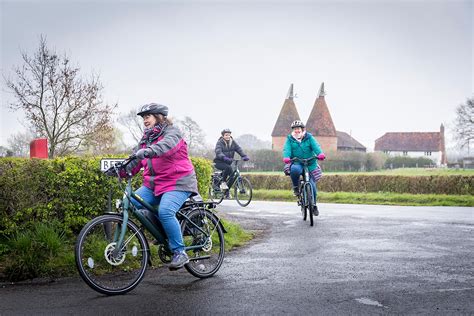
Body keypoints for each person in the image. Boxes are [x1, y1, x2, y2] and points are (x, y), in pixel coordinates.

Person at [121, 103, 199, 270]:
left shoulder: (172, 133)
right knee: (130, 204)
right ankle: (163, 235)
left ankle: (180, 252)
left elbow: (164, 147)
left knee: (165, 211)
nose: (144, 120)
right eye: (143, 118)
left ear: (159, 116)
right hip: (154, 185)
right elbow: (135, 161)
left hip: (178, 182)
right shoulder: (146, 139)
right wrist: (119, 170)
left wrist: (149, 150)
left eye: (147, 116)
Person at [282, 120, 325, 215]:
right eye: (295, 129)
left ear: (302, 129)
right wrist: (286, 157)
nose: (297, 131)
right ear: (293, 130)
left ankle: (313, 205)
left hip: (310, 163)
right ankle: (296, 187)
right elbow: (287, 149)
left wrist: (320, 154)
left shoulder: (309, 137)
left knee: (312, 185)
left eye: (298, 129)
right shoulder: (290, 139)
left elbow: (316, 146)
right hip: (297, 162)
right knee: (295, 170)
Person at [213, 128, 249, 193]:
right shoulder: (219, 142)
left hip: (228, 162)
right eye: (226, 135)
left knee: (232, 176)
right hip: (219, 162)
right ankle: (223, 182)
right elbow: (218, 152)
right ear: (223, 136)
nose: (228, 136)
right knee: (228, 167)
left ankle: (226, 191)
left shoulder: (232, 142)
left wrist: (244, 156)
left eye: (229, 135)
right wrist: (224, 157)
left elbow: (238, 149)